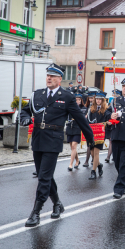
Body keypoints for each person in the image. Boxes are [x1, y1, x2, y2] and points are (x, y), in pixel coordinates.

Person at [20, 64, 94, 227]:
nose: (49, 78)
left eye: (53, 76)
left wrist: (90, 138)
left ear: (60, 79)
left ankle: (36, 213)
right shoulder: (37, 94)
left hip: (54, 140)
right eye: (48, 75)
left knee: (44, 177)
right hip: (38, 138)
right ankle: (57, 204)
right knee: (43, 176)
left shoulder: (66, 97)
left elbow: (80, 119)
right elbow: (25, 110)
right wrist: (24, 118)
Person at [88, 91, 111, 179]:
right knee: (92, 153)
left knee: (96, 153)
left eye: (100, 99)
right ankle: (99, 165)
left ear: (103, 100)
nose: (98, 101)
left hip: (100, 134)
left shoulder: (106, 110)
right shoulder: (91, 109)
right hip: (92, 133)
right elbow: (88, 121)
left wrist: (109, 122)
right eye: (97, 99)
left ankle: (93, 172)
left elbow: (108, 120)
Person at [66, 92, 87, 171]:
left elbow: (83, 118)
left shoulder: (84, 108)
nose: (77, 101)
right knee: (72, 147)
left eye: (79, 100)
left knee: (74, 146)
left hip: (78, 127)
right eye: (76, 100)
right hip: (70, 126)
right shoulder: (69, 107)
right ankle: (77, 160)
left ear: (81, 100)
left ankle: (70, 164)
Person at [105, 89, 122, 163]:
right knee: (111, 141)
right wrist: (110, 118)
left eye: (116, 94)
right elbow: (108, 112)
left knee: (118, 142)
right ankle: (108, 156)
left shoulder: (122, 102)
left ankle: (116, 155)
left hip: (120, 124)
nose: (115, 96)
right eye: (114, 94)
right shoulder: (112, 102)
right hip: (112, 124)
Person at [83, 91, 96, 167]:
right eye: (90, 98)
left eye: (92, 98)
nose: (91, 100)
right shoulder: (87, 106)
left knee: (94, 145)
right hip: (89, 127)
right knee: (89, 144)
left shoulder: (96, 106)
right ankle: (87, 160)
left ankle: (93, 160)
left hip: (96, 127)